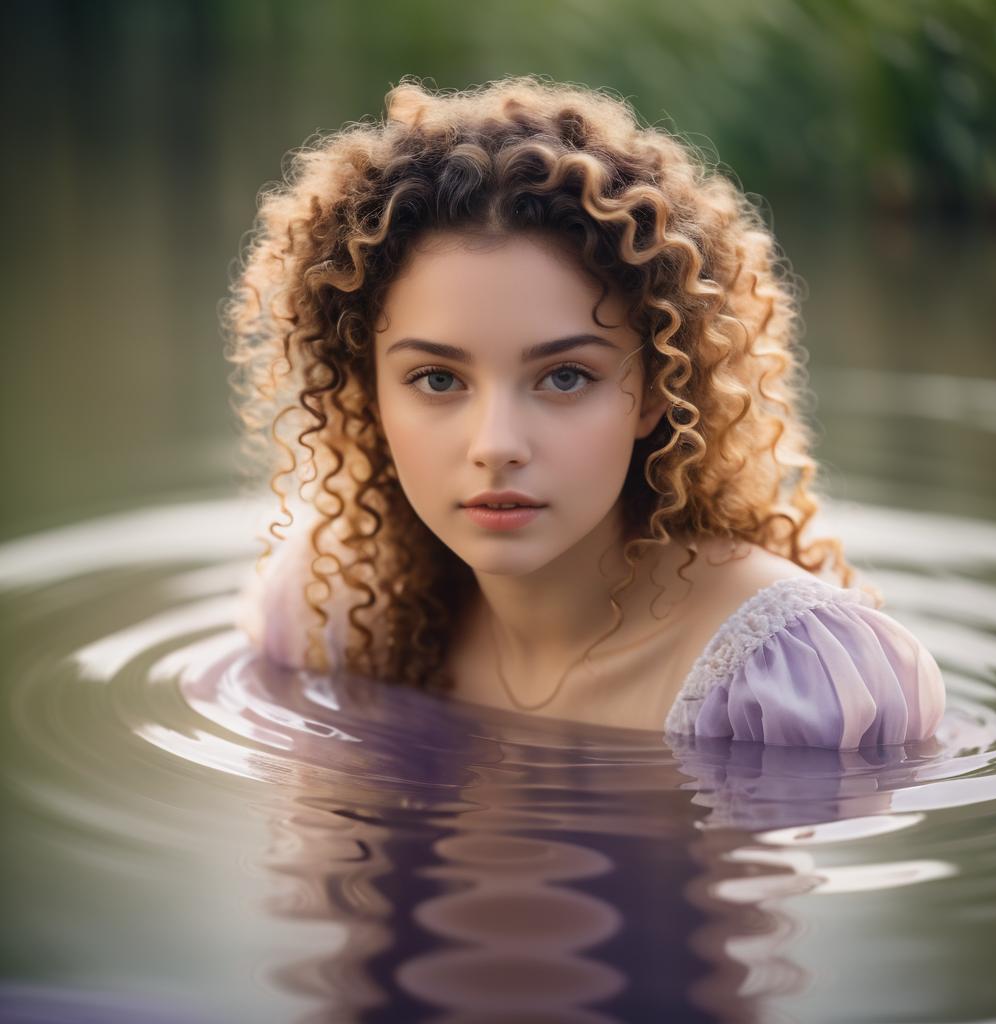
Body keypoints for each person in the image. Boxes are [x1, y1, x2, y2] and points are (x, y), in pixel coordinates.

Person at [224, 74, 946, 747]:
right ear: (369, 390)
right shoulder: (338, 611)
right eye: (437, 379)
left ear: (660, 386)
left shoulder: (779, 680)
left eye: (564, 376)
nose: (496, 445)